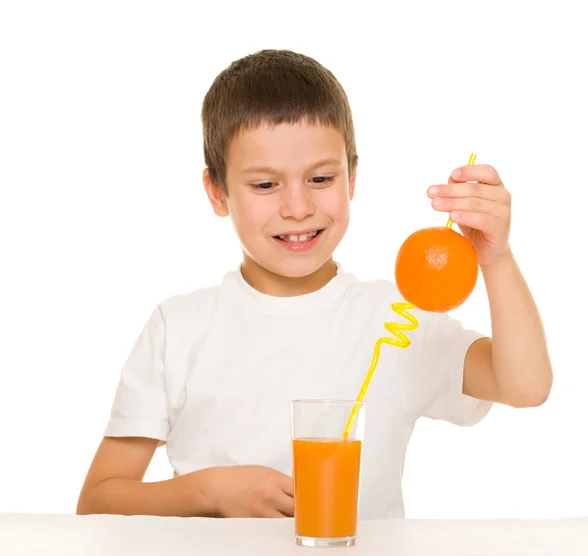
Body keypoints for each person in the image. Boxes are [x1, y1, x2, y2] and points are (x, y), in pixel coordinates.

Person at [76, 49, 553, 520]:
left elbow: (526, 386)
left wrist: (497, 258)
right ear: (217, 192)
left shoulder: (395, 317)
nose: (298, 207)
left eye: (321, 178)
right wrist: (209, 491)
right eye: (265, 185)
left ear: (352, 178)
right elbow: (98, 500)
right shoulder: (177, 328)